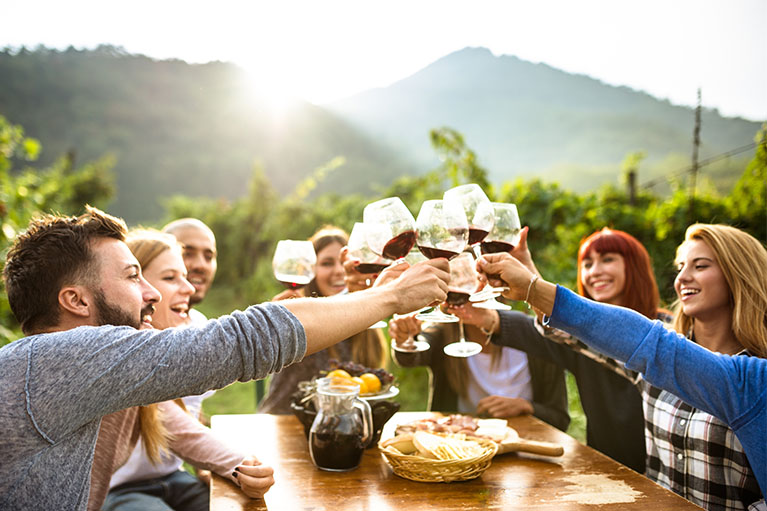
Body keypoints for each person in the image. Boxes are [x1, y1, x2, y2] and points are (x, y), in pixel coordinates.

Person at [0, 206, 450, 510]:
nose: (153, 293)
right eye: (134, 276)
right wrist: (390, 297)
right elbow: (243, 341)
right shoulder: (61, 359)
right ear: (76, 300)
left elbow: (187, 396)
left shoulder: (80, 371)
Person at [478, 224, 766, 511]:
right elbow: (577, 332)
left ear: (738, 274)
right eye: (680, 267)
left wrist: (532, 287)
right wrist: (529, 286)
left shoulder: (754, 378)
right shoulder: (656, 354)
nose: (682, 278)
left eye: (700, 266)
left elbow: (642, 338)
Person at [450, 228, 654, 472]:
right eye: (587, 264)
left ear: (635, 266)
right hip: (607, 473)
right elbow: (550, 332)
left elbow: (579, 329)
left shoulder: (662, 334)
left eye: (607, 259)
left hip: (658, 477)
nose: (595, 271)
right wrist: (490, 314)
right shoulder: (582, 339)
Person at [96, 229, 268, 511]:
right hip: (119, 488)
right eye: (170, 278)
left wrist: (207, 466)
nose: (189, 288)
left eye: (185, 276)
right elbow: (174, 423)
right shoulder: (123, 347)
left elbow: (192, 410)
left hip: (173, 476)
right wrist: (237, 463)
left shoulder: (192, 328)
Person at [388, 252, 570, 432]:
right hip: (462, 448)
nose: (457, 286)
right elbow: (410, 357)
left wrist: (526, 407)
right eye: (452, 278)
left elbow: (560, 419)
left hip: (527, 444)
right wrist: (405, 337)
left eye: (467, 276)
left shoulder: (532, 336)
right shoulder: (444, 334)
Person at [259, 226, 389, 413]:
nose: (338, 271)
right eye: (327, 263)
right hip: (283, 425)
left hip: (341, 428)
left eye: (343, 262)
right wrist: (274, 328)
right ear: (310, 269)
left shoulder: (364, 320)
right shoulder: (299, 316)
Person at [162, 218, 217, 322]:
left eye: (208, 256)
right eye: (187, 254)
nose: (201, 265)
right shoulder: (139, 331)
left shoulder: (200, 322)